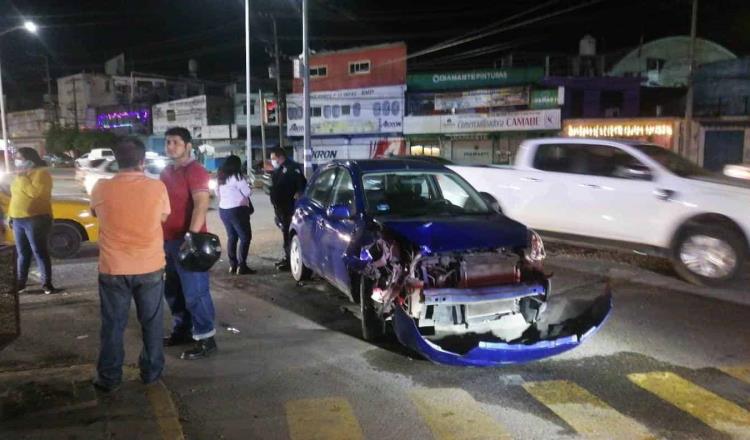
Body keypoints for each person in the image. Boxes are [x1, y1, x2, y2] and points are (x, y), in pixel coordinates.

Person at [90, 137, 171, 393]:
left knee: (113, 325)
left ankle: (109, 378)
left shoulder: (101, 188)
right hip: (150, 266)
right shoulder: (156, 188)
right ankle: (151, 373)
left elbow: (95, 213)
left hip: (113, 268)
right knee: (152, 323)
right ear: (142, 161)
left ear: (116, 160)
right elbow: (163, 217)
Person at [160, 127, 218, 360]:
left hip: (188, 243)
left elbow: (201, 205)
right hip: (168, 241)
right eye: (167, 142)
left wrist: (190, 239)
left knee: (195, 292)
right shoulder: (166, 172)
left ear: (188, 146)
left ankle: (206, 338)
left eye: (175, 142)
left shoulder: (195, 171)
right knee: (172, 290)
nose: (170, 146)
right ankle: (182, 330)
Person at [8, 147, 57, 294]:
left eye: (20, 158)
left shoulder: (42, 174)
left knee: (39, 251)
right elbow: (15, 196)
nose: (17, 161)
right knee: (22, 253)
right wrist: (11, 216)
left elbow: (36, 194)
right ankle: (20, 283)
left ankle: (46, 283)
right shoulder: (20, 175)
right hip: (18, 218)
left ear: (30, 159)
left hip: (35, 218)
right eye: (16, 158)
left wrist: (23, 178)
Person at [269, 147, 306, 271]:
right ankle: (287, 257)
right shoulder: (279, 169)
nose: (272, 161)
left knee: (288, 235)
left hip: (289, 208)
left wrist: (296, 203)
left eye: (273, 158)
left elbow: (301, 187)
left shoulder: (292, 168)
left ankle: (291, 260)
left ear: (280, 157)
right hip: (280, 208)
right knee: (285, 234)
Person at [217, 155, 256, 275]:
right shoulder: (237, 177)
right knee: (245, 237)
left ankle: (233, 265)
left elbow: (216, 192)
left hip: (223, 210)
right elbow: (247, 192)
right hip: (237, 210)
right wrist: (250, 187)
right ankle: (242, 266)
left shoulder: (221, 177)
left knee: (232, 237)